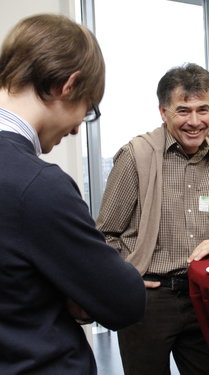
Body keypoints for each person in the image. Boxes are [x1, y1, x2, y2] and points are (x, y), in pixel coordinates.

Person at [96, 62, 209, 375]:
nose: (195, 121)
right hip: (148, 298)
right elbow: (105, 235)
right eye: (183, 110)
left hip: (203, 293)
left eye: (203, 109)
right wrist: (128, 274)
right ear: (163, 111)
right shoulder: (136, 157)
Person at [0, 14, 146, 375]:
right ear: (69, 85)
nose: (80, 127)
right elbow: (125, 301)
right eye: (89, 107)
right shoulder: (37, 186)